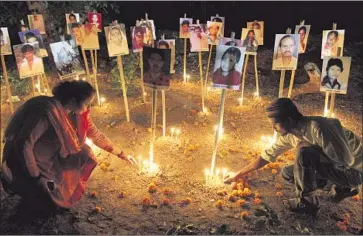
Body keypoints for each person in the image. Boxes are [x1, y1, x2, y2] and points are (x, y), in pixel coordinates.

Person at [0, 80, 137, 211]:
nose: (88, 107)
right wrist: (36, 176)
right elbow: (24, 144)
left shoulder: (75, 113)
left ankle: (47, 193)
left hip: (53, 157)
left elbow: (95, 134)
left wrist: (121, 153)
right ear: (72, 100)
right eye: (86, 103)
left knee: (84, 153)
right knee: (43, 195)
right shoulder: (46, 113)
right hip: (32, 160)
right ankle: (33, 194)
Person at [224, 98, 362, 215]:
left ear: (289, 120)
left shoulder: (319, 128)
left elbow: (346, 161)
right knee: (289, 173)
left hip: (354, 171)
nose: (274, 129)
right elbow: (267, 156)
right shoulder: (291, 134)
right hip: (338, 168)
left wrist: (312, 151)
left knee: (304, 151)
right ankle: (344, 188)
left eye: (275, 124)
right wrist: (239, 174)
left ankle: (309, 202)